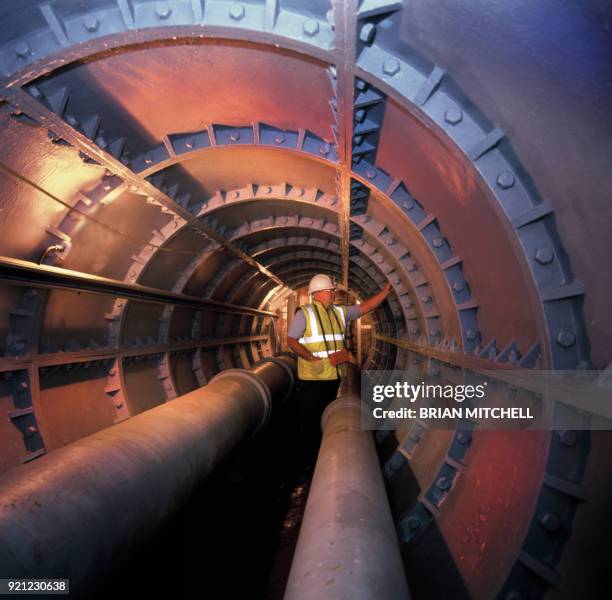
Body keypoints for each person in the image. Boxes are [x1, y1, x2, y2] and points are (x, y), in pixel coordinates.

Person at [286, 273, 393, 472]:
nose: (334, 294)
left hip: (334, 377)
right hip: (312, 379)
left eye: (333, 291)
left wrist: (385, 292)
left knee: (330, 418)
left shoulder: (339, 312)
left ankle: (329, 458)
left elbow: (364, 308)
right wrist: (310, 357)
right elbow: (291, 340)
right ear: (318, 294)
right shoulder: (305, 314)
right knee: (311, 422)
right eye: (330, 291)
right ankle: (312, 465)